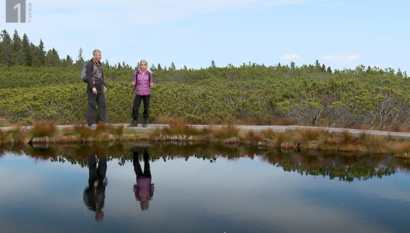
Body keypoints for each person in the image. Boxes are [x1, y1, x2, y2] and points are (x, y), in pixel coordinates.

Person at [83, 151, 108, 221]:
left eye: (101, 215)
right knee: (103, 166)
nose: (102, 214)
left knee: (92, 166)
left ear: (97, 215)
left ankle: (91, 150)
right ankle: (101, 150)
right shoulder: (102, 205)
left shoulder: (90, 205)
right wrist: (105, 184)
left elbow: (87, 193)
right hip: (101, 181)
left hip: (93, 182)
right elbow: (103, 193)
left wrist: (93, 186)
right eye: (102, 215)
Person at [129, 60, 154, 127]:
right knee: (135, 107)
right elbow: (135, 82)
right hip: (139, 92)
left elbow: (151, 82)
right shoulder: (136, 73)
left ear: (146, 66)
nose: (143, 66)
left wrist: (152, 84)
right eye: (142, 65)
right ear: (140, 66)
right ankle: (134, 121)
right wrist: (133, 83)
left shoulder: (149, 73)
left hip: (147, 93)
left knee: (146, 108)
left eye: (144, 65)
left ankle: (145, 121)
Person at [86, 49, 107, 127]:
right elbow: (89, 77)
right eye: (99, 55)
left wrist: (104, 85)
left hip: (99, 88)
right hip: (93, 88)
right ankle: (90, 123)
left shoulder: (99, 64)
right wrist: (92, 87)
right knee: (92, 105)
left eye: (100, 55)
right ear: (94, 55)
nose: (100, 56)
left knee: (102, 104)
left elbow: (101, 76)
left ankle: (102, 122)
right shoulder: (90, 64)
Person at [132, 146, 155, 211]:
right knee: (136, 164)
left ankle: (145, 151)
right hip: (140, 179)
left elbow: (152, 187)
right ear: (141, 204)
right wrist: (136, 186)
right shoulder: (138, 198)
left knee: (146, 163)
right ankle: (135, 151)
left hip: (148, 178)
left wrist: (150, 185)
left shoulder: (150, 196)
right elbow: (135, 188)